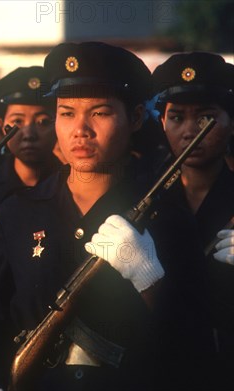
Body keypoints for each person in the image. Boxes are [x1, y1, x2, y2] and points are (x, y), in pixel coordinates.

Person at [0, 42, 210, 391]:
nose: (81, 129)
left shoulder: (167, 216)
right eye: (66, 112)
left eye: (100, 112)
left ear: (135, 118)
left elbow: (196, 343)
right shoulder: (18, 211)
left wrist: (151, 279)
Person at [152, 52, 234, 389]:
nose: (189, 131)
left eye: (205, 117)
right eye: (176, 117)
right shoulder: (141, 195)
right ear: (162, 123)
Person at [0, 66, 62, 224]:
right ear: (2, 125)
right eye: (17, 122)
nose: (29, 135)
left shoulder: (73, 188)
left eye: (43, 122)